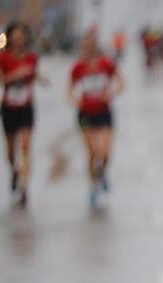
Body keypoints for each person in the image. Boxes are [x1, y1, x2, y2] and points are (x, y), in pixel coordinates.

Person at [0, 20, 48, 206]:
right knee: (10, 151)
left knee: (25, 146)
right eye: (15, 34)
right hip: (9, 109)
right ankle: (14, 171)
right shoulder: (3, 57)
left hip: (26, 108)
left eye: (22, 35)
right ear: (9, 37)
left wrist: (41, 79)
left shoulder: (32, 57)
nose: (19, 38)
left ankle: (24, 185)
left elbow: (34, 73)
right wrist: (14, 76)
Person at [69, 29, 124, 207]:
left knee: (105, 152)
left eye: (92, 43)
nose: (89, 47)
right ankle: (93, 187)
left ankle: (101, 173)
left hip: (103, 112)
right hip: (85, 114)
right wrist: (75, 100)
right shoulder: (78, 67)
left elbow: (121, 83)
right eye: (86, 44)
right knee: (92, 152)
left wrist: (111, 93)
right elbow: (70, 89)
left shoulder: (106, 64)